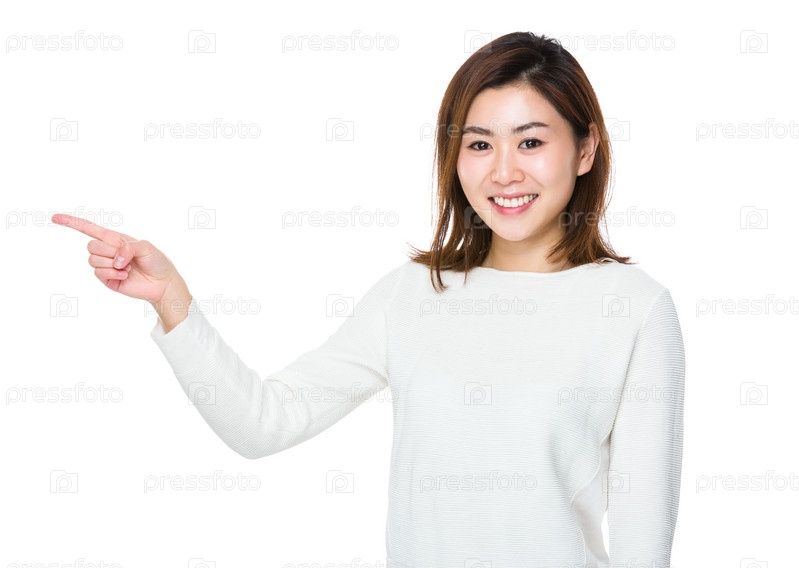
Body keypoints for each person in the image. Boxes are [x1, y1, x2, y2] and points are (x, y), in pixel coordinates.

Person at [53, 31, 685, 568]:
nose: (503, 172)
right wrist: (171, 299)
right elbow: (263, 423)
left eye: (531, 142)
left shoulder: (634, 308)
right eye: (479, 144)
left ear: (585, 149)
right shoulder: (413, 293)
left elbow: (642, 534)